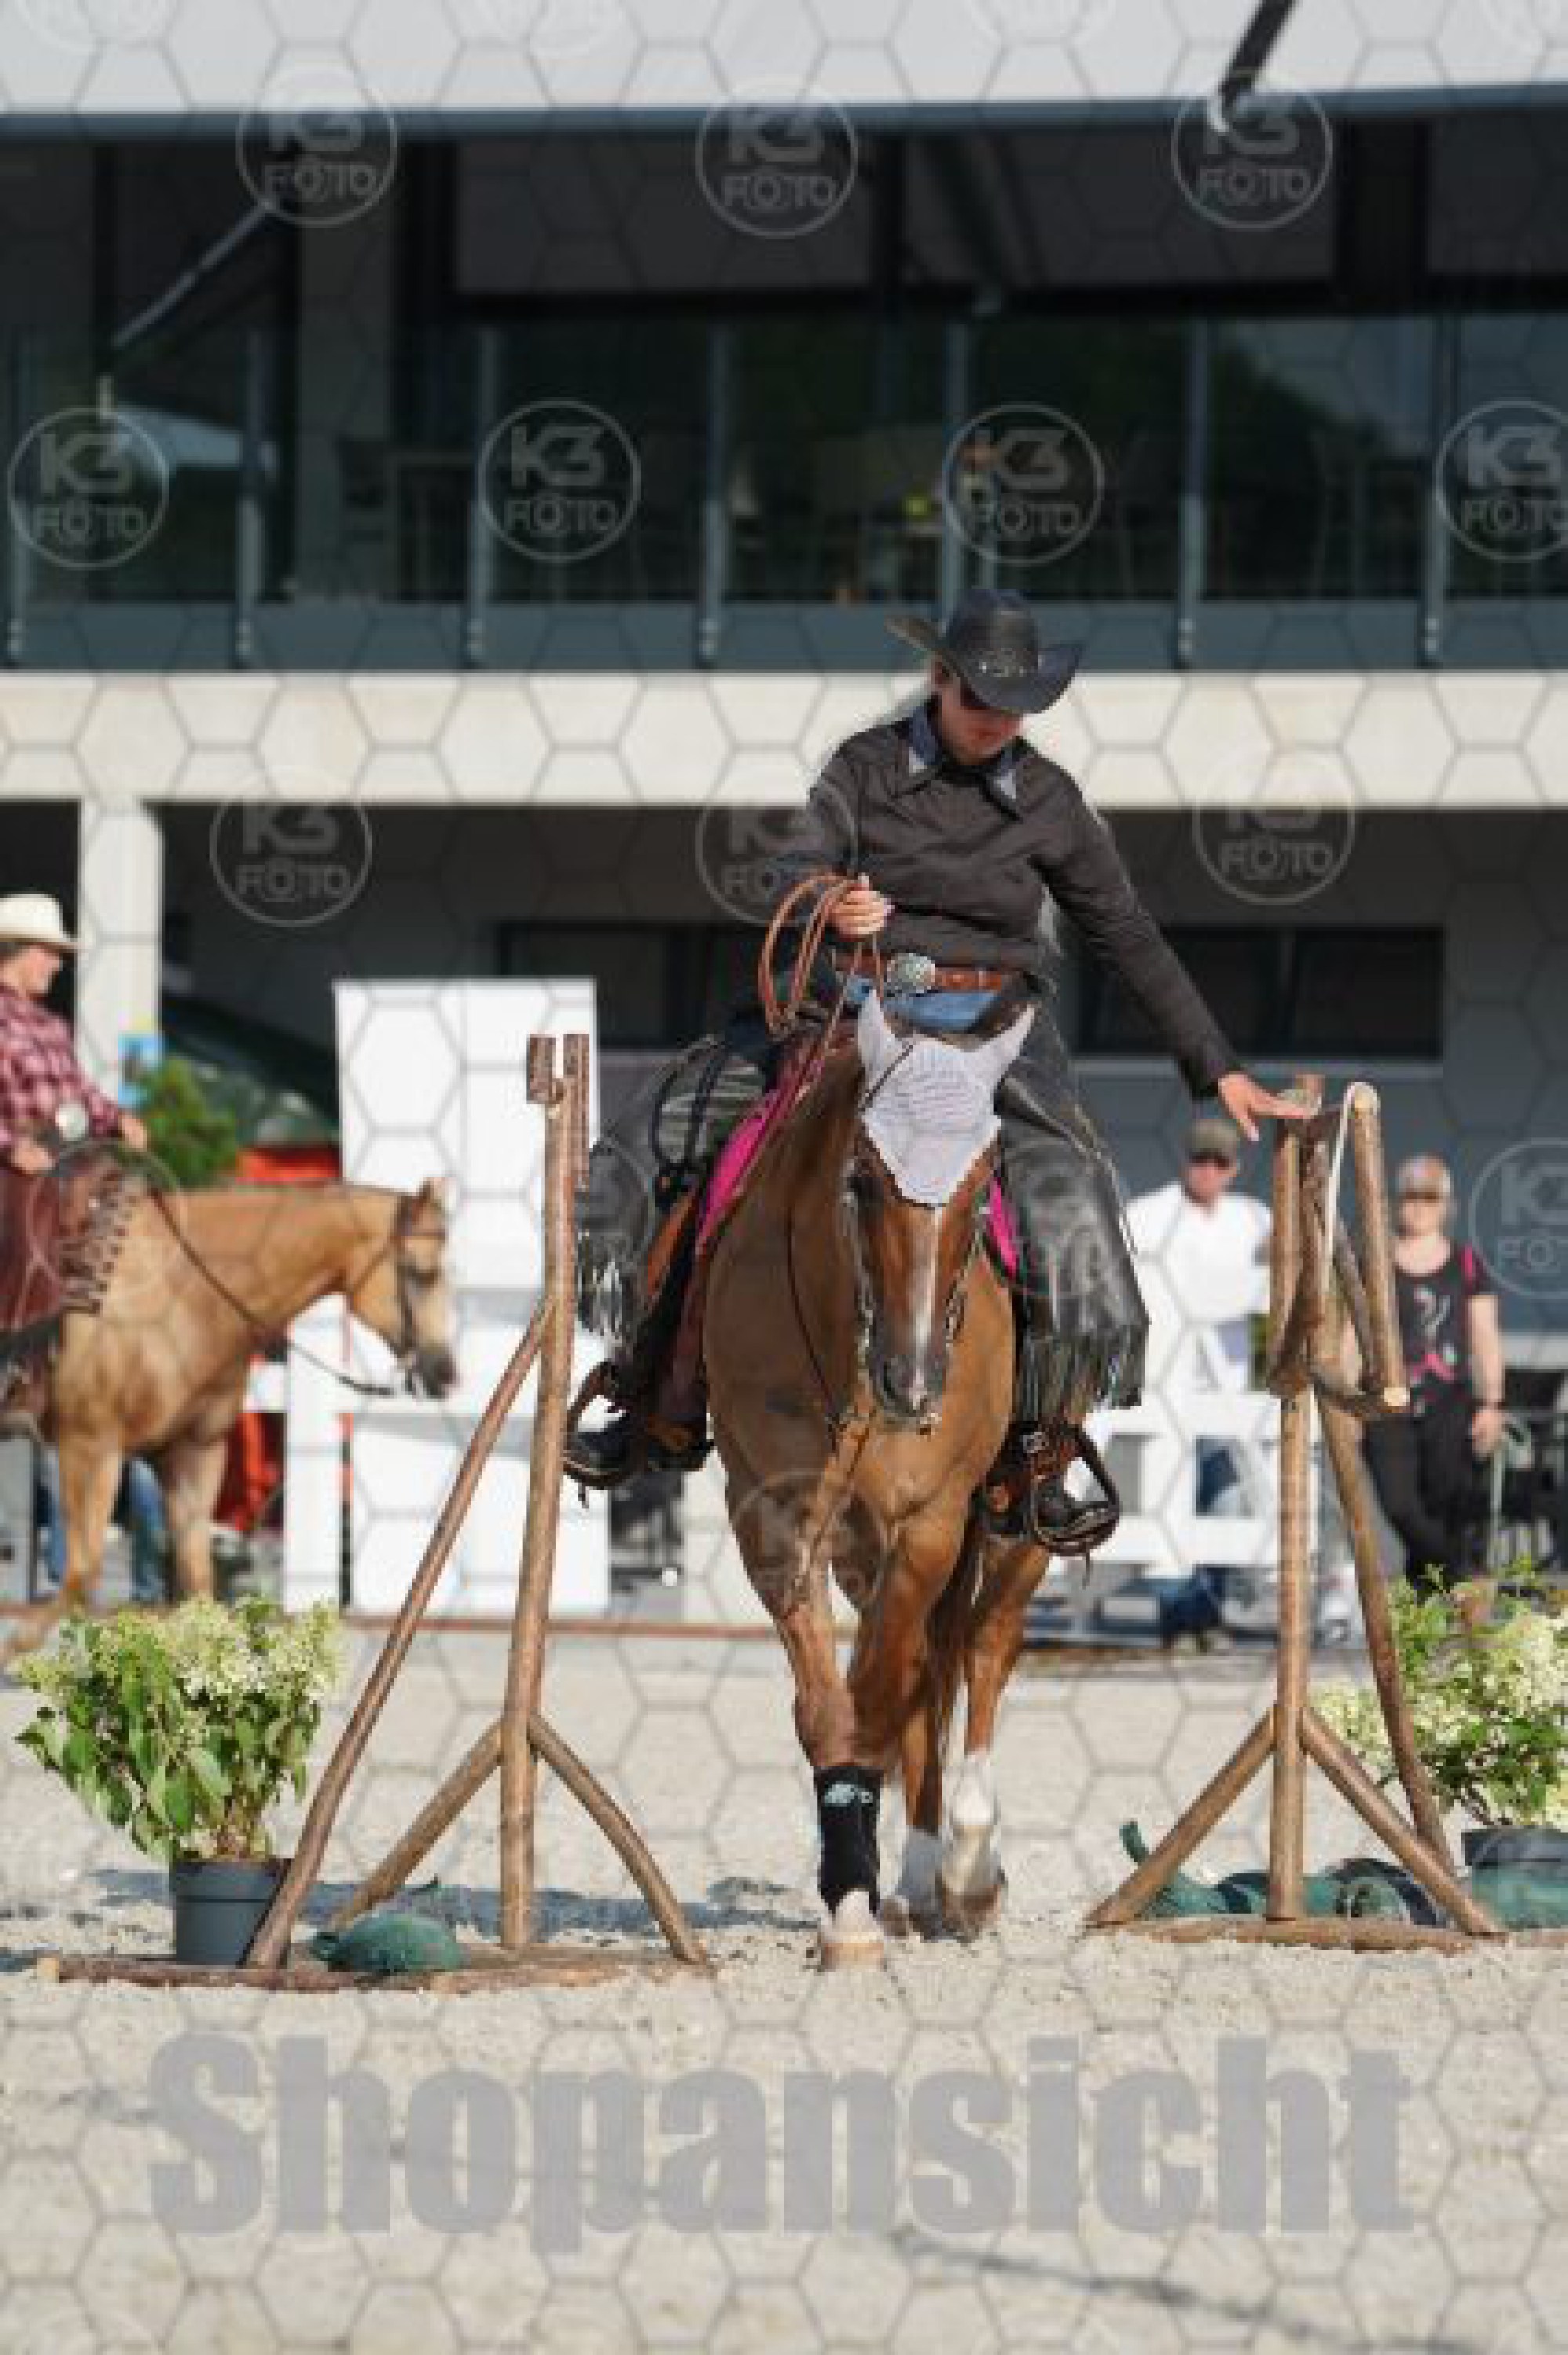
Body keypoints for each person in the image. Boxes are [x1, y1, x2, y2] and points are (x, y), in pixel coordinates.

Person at [567, 589, 1302, 1544]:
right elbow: (791, 869)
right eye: (978, 699)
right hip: (849, 1009)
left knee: (1069, 1189)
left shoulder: (1049, 799)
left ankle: (1039, 1440)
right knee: (676, 1134)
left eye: (1015, 706)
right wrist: (829, 899)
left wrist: (1216, 1068)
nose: (996, 720)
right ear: (936, 679)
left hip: (994, 1026)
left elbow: (1123, 931)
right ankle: (652, 1386)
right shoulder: (861, 765)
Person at [0, 891, 147, 1436]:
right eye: (49, 952)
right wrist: (11, 1146)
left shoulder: (51, 1026)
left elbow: (80, 1094)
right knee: (34, 1228)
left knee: (127, 1208)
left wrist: (118, 1118)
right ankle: (21, 1368)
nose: (58, 964)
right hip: (16, 1161)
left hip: (66, 1153)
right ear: (17, 951)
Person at [1125, 1113, 1270, 1646]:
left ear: (1234, 1169)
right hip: (1165, 1388)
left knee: (1226, 1500)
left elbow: (1273, 1290)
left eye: (1220, 1161)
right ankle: (1177, 1619)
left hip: (1228, 1387)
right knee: (1171, 1500)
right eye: (1200, 1159)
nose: (1208, 1170)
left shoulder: (1253, 1219)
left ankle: (1210, 1612)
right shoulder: (1148, 1214)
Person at [1359, 1152, 1504, 1603]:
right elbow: (1350, 1334)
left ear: (1446, 1205)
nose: (1418, 1206)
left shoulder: (1467, 1264)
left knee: (1442, 1504)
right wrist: (1345, 1403)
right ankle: (1462, 1580)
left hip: (1450, 1402)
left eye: (1428, 1197)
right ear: (1395, 1202)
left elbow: (1485, 1336)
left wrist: (1492, 1403)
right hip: (1386, 1403)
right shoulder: (1373, 1262)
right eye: (1410, 1196)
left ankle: (1429, 1611)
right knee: (1400, 1505)